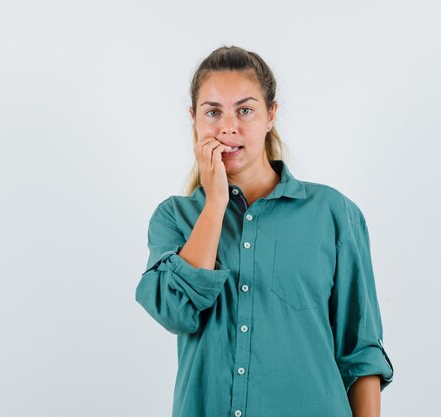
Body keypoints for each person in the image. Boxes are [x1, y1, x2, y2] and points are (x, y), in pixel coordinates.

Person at [134, 45, 394, 417]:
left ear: (271, 115)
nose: (228, 126)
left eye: (245, 109)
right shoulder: (175, 218)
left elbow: (361, 351)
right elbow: (176, 313)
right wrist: (215, 204)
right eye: (213, 112)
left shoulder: (334, 214)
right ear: (193, 118)